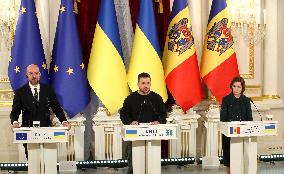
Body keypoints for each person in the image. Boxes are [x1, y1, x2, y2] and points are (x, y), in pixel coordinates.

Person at [10, 64, 71, 158]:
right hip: (28, 131)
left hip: (46, 130)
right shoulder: (20, 92)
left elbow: (56, 108)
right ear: (27, 75)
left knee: (47, 159)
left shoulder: (48, 89)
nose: (34, 76)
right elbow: (15, 112)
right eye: (31, 73)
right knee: (32, 159)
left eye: (36, 73)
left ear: (39, 75)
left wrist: (64, 121)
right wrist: (14, 122)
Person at [120, 72, 167, 174]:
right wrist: (130, 122)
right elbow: (123, 114)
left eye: (148, 83)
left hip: (153, 133)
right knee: (134, 160)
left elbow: (163, 113)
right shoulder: (130, 98)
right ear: (138, 84)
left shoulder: (156, 98)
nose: (146, 86)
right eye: (143, 83)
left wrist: (159, 121)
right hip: (135, 134)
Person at [220, 76, 253, 174]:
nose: (236, 89)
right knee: (229, 160)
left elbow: (249, 118)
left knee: (241, 159)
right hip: (229, 134)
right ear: (231, 87)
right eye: (234, 86)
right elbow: (223, 117)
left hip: (243, 134)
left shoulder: (246, 100)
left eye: (239, 87)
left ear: (242, 88)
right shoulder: (226, 99)